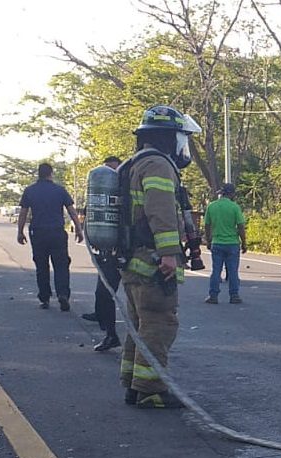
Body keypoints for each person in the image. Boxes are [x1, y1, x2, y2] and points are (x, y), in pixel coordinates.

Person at [120, 105, 200, 409]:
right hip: (153, 263)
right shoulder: (158, 166)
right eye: (182, 138)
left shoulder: (134, 164)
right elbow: (161, 211)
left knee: (140, 325)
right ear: (169, 137)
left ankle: (133, 383)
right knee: (159, 324)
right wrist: (169, 253)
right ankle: (151, 389)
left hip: (133, 262)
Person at [17, 163, 84, 311]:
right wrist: (79, 230)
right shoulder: (59, 190)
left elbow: (23, 213)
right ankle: (63, 294)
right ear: (51, 173)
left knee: (41, 266)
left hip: (38, 233)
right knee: (61, 264)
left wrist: (20, 231)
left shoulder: (30, 191)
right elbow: (72, 211)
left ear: (38, 174)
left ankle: (45, 298)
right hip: (57, 232)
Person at [81, 156, 123, 352]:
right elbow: (89, 212)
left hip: (128, 250)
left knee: (135, 300)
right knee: (103, 294)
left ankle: (135, 340)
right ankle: (110, 334)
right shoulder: (102, 189)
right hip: (108, 251)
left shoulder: (127, 185)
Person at [204, 182, 247, 305]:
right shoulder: (235, 207)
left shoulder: (212, 206)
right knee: (233, 271)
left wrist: (208, 240)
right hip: (232, 243)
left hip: (217, 242)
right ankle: (234, 296)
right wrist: (244, 243)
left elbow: (207, 225)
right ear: (232, 194)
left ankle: (213, 296)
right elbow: (240, 226)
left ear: (222, 193)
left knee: (216, 270)